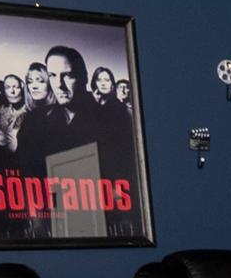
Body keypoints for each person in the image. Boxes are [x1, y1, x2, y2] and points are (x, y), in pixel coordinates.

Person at [15, 44, 141, 235]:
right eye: (53, 75)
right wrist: (38, 225)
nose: (59, 84)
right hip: (52, 227)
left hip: (103, 226)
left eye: (67, 75)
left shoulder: (113, 119)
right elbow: (27, 179)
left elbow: (121, 181)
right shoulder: (34, 121)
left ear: (83, 78)